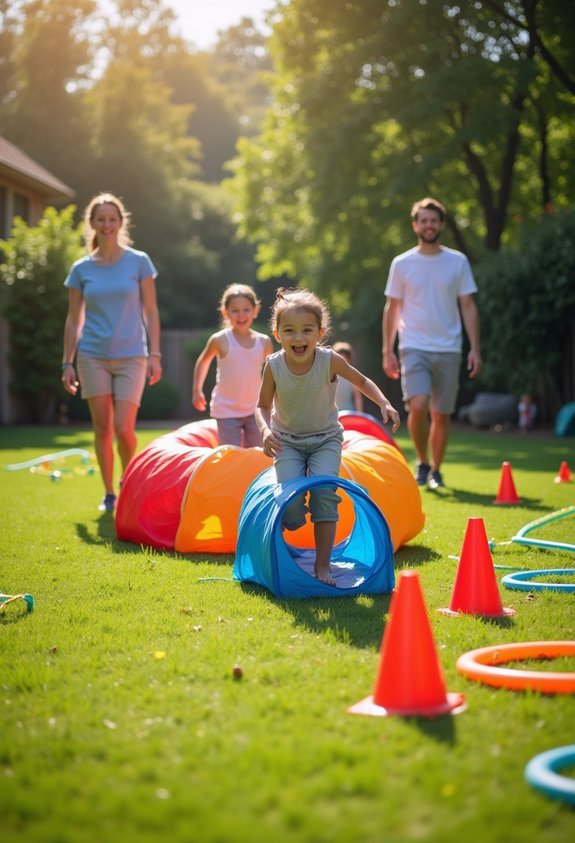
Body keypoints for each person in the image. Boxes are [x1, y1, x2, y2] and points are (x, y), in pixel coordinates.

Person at [257, 288, 400, 586]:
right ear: (277, 334)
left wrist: (383, 402)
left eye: (307, 330)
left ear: (320, 333)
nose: (299, 338)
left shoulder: (329, 360)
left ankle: (323, 566)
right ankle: (291, 521)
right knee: (291, 508)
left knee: (325, 497)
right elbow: (261, 406)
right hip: (287, 440)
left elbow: (361, 380)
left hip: (325, 439)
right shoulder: (273, 366)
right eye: (290, 331)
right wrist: (265, 430)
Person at [61, 192, 162, 512]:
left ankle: (127, 480)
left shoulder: (139, 261)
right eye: (100, 219)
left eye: (112, 219)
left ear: (121, 222)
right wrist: (67, 361)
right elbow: (74, 318)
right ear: (92, 223)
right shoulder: (81, 269)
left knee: (124, 429)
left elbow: (151, 312)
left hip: (133, 354)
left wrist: (155, 354)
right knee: (102, 427)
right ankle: (109, 493)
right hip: (92, 355)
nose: (106, 225)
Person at [382, 197, 482, 490]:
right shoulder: (402, 263)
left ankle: (437, 469)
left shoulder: (457, 261)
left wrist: (475, 348)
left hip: (449, 347)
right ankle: (423, 462)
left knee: (441, 413)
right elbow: (392, 307)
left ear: (441, 225)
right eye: (423, 220)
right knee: (419, 404)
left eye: (434, 221)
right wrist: (387, 349)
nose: (429, 225)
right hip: (412, 344)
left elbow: (469, 306)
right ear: (415, 225)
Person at [192, 283, 273, 447]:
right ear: (225, 312)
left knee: (258, 452)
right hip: (226, 410)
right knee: (231, 453)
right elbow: (203, 362)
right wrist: (196, 390)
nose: (241, 314)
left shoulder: (264, 342)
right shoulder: (220, 340)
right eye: (235, 310)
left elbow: (273, 373)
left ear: (255, 311)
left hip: (256, 410)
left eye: (246, 309)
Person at [332, 342, 364, 412]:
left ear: (349, 359)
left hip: (349, 412)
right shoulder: (330, 375)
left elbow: (357, 397)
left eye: (344, 359)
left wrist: (360, 414)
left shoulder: (352, 376)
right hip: (334, 413)